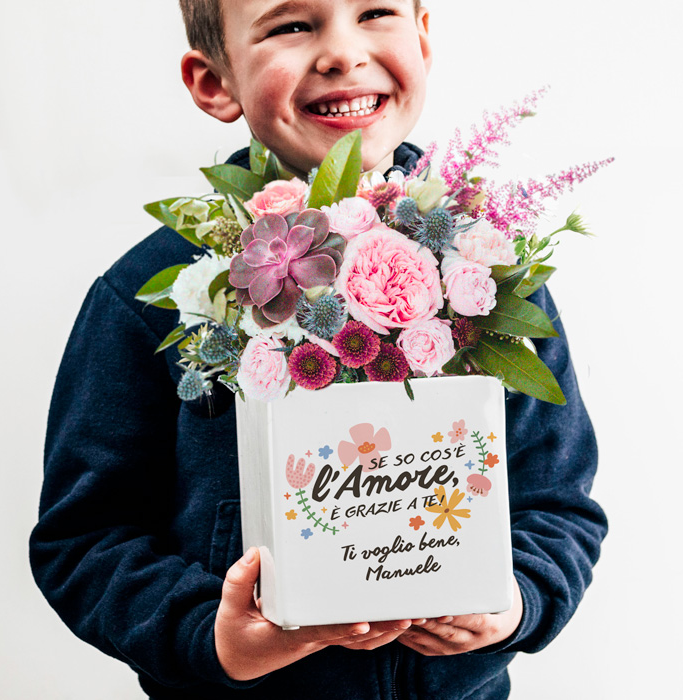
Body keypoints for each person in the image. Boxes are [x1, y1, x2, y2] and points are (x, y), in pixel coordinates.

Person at [30, 1, 607, 698]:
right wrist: (210, 636)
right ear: (214, 81)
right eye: (291, 25)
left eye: (375, 11)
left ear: (423, 39)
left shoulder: (488, 276)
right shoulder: (154, 294)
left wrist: (515, 602)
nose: (342, 53)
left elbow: (557, 500)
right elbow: (82, 540)